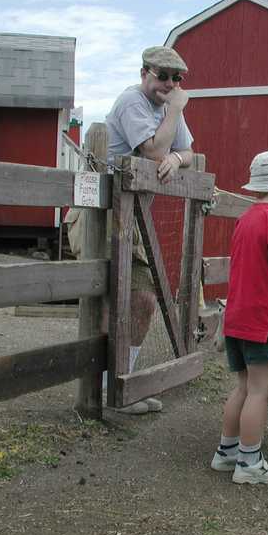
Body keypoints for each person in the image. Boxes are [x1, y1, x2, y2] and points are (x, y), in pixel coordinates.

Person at [66, 45, 194, 414]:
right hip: (101, 216)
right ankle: (99, 391)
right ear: (144, 74)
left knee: (142, 299)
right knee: (107, 301)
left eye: (176, 79)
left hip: (132, 220)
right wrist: (175, 113)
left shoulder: (165, 109)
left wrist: (177, 157)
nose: (169, 84)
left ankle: (119, 386)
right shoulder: (132, 102)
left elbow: (188, 152)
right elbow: (153, 152)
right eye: (162, 76)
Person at [210, 151, 268, 485]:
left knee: (243, 387)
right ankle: (250, 463)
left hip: (236, 317)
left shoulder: (245, 219)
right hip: (262, 319)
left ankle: (227, 452)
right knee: (259, 391)